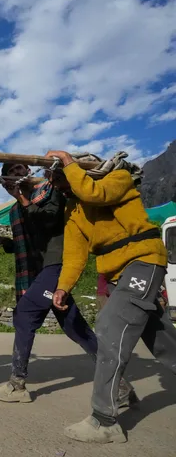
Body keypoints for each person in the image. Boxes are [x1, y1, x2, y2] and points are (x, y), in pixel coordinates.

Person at [46, 149, 175, 444]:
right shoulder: (74, 211)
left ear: (80, 169)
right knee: (159, 335)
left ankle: (104, 419)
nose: (59, 186)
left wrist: (68, 162)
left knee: (109, 327)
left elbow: (95, 194)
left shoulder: (116, 178)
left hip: (143, 259)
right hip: (118, 273)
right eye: (56, 182)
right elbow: (75, 256)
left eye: (61, 179)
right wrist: (63, 287)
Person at [0, 163, 99, 403]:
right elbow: (32, 242)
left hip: (58, 262)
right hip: (43, 269)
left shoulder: (50, 190)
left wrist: (23, 199)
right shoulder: (19, 207)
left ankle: (17, 385)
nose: (18, 174)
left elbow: (49, 222)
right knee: (73, 324)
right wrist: (8, 243)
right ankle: (118, 383)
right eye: (12, 171)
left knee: (25, 313)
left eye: (21, 168)